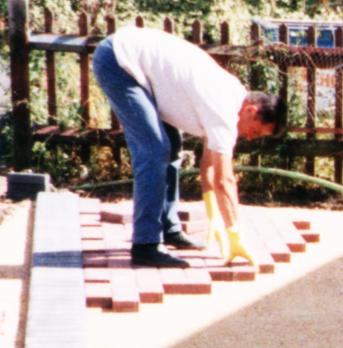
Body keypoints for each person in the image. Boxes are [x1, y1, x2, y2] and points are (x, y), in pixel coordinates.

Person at [90, 26, 282, 268]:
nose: (251, 138)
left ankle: (169, 229)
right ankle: (145, 245)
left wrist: (213, 214)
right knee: (154, 150)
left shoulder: (234, 97)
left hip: (139, 63)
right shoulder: (225, 110)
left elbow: (208, 166)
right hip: (119, 61)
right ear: (251, 110)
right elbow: (225, 179)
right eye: (255, 132)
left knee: (171, 146)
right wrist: (235, 234)